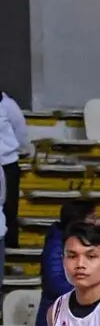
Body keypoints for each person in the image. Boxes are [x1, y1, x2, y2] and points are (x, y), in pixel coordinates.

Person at [37, 198, 97, 326]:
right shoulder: (56, 245)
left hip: (80, 321)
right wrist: (90, 290)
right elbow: (55, 284)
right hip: (56, 324)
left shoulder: (88, 244)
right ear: (79, 221)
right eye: (92, 218)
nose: (97, 222)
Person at [0, 87, 27, 249]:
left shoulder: (8, 105)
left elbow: (20, 132)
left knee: (9, 206)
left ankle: (11, 245)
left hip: (7, 162)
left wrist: (13, 149)